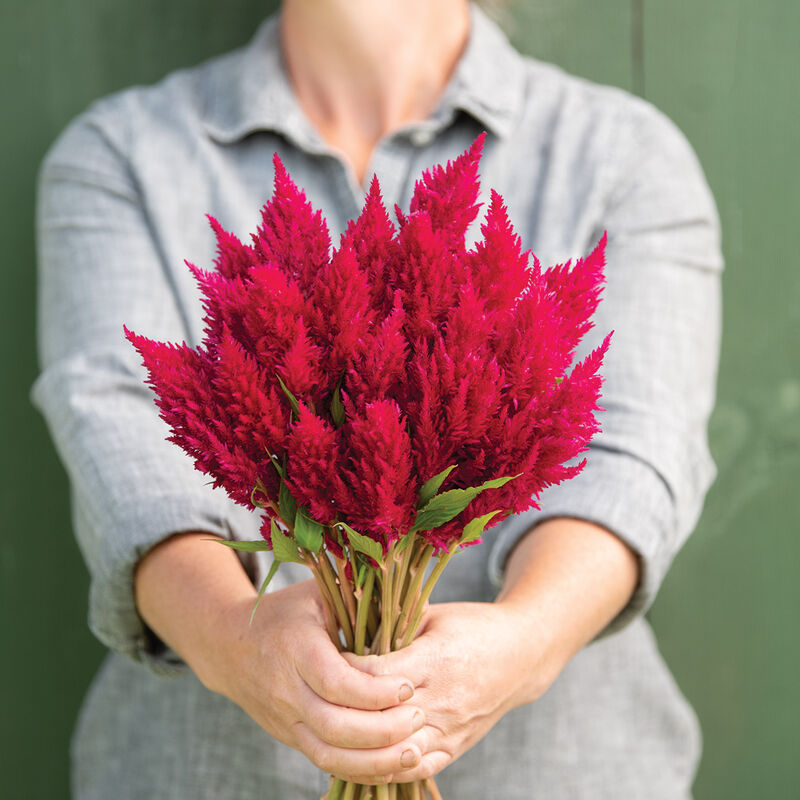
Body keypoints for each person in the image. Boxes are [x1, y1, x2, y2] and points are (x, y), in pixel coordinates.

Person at [32, 1, 723, 797]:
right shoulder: (122, 152)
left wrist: (524, 641)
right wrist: (233, 637)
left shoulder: (622, 153)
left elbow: (636, 453)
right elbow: (119, 438)